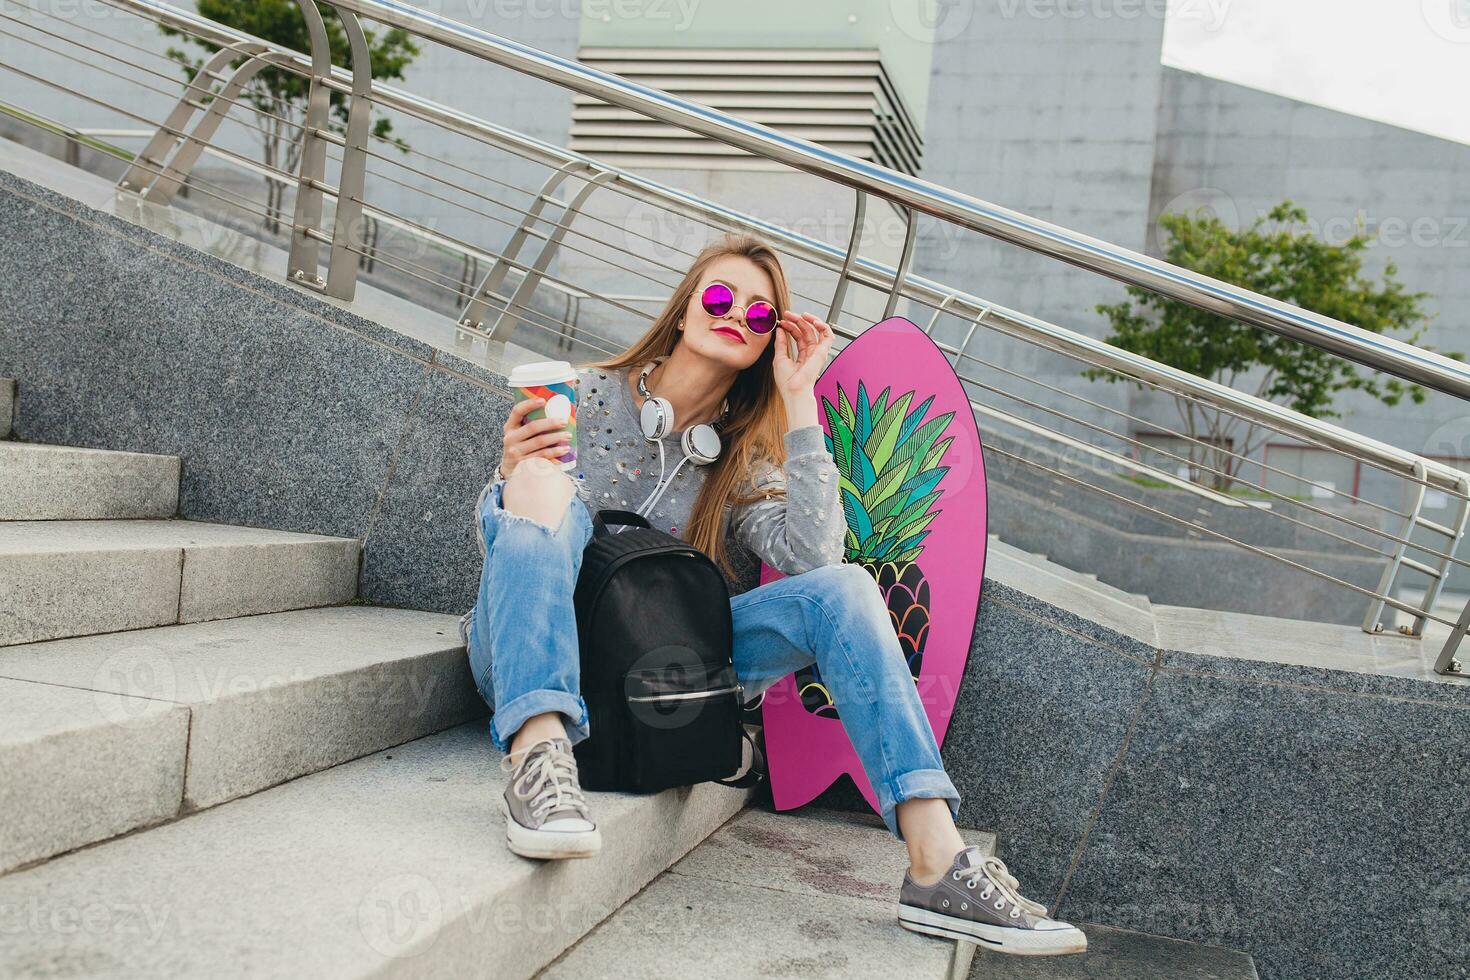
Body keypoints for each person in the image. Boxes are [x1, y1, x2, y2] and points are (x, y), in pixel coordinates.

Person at [459, 233, 1086, 955]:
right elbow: (507, 549)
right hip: (529, 650)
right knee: (541, 484)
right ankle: (538, 757)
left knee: (845, 590)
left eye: (760, 317)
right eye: (722, 298)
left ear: (768, 343)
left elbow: (816, 557)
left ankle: (936, 862)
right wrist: (511, 477)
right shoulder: (584, 393)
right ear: (686, 306)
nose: (737, 317)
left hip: (647, 675)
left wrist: (798, 398)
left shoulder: (743, 455)